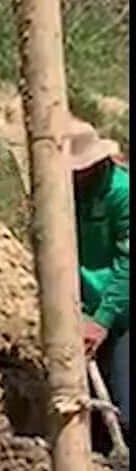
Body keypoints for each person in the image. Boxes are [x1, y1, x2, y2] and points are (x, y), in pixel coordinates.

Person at [70, 117, 129, 449]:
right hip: (84, 310)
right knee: (86, 415)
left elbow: (127, 265)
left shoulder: (121, 194)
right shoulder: (61, 193)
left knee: (125, 408)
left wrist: (103, 319)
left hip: (121, 312)